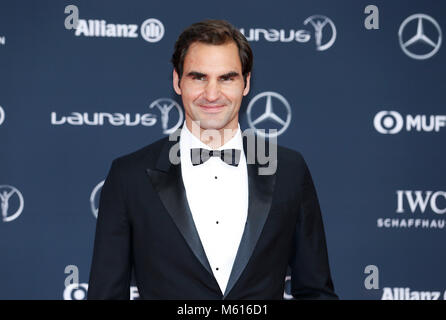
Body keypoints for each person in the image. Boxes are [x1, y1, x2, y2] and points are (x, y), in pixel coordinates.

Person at [87, 19, 338, 300]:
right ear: (177, 81)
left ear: (246, 83)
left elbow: (316, 291)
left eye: (227, 78)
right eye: (198, 77)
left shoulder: (289, 169)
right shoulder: (129, 176)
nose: (212, 94)